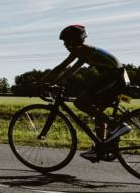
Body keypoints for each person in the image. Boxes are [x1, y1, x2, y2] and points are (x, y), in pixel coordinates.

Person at [40, 25, 131, 161]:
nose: (64, 44)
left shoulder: (81, 50)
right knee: (98, 113)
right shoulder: (84, 50)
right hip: (115, 77)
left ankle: (117, 126)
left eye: (65, 41)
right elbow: (71, 70)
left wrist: (41, 83)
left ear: (73, 40)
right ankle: (100, 148)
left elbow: (61, 67)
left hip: (113, 78)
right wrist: (55, 83)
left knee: (80, 102)